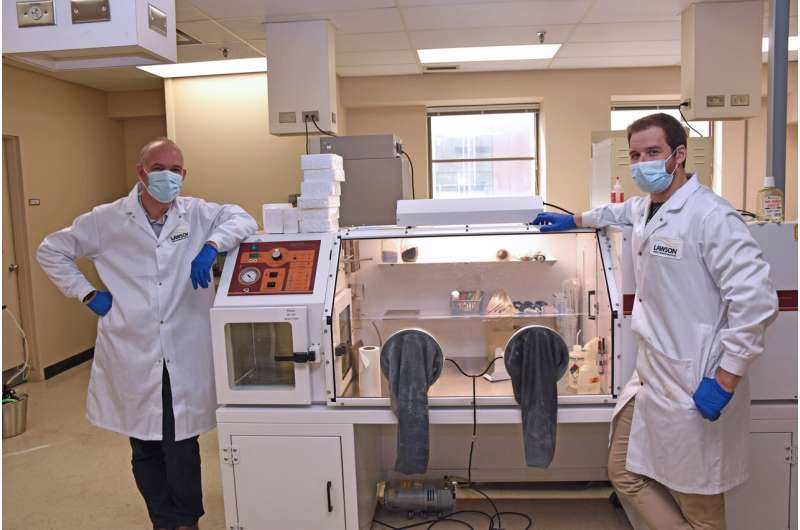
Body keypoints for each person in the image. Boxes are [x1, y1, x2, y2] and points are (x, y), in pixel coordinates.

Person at [533, 113, 778, 529]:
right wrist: (573, 220)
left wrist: (725, 378)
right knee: (624, 471)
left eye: (652, 152)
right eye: (634, 155)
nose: (642, 162)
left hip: (696, 377)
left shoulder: (711, 217)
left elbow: (756, 302)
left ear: (678, 155)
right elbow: (618, 213)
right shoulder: (647, 209)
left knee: (699, 500)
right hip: (652, 375)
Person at [38, 138, 258, 530]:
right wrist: (87, 293)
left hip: (184, 345)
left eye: (177, 170)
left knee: (180, 443)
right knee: (144, 444)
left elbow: (243, 219)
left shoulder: (197, 213)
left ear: (184, 176)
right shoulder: (106, 220)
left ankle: (187, 520)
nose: (169, 177)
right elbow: (51, 250)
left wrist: (210, 247)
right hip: (132, 345)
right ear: (141, 173)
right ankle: (162, 519)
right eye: (160, 168)